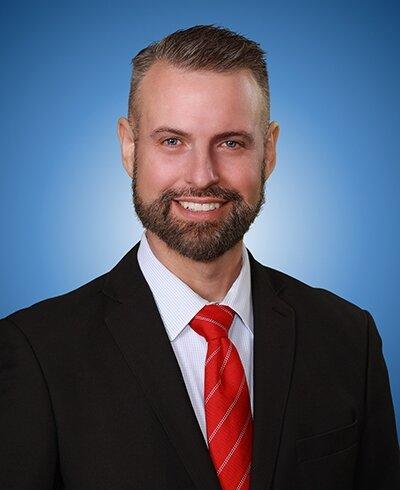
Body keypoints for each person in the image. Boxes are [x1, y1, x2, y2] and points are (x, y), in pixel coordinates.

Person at [0, 24, 399, 490]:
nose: (202, 176)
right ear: (129, 147)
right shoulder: (36, 352)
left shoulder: (349, 338)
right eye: (172, 141)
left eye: (231, 142)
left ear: (269, 152)